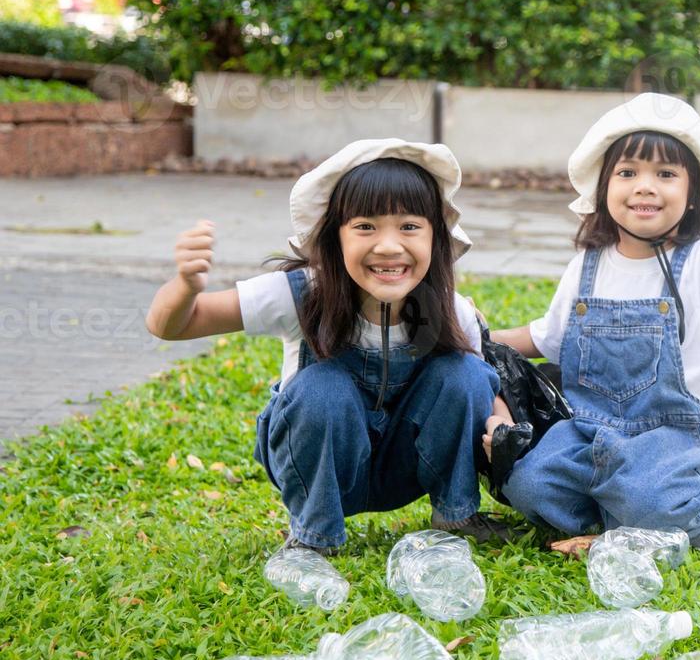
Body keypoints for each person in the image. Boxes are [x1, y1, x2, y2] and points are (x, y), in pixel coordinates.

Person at [145, 139, 513, 555]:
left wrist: (500, 427)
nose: (389, 246)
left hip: (406, 467)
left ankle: (457, 514)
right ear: (335, 238)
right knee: (322, 386)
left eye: (409, 226)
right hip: (323, 467)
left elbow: (486, 388)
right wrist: (185, 287)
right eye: (365, 227)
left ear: (436, 239)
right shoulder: (301, 294)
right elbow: (171, 326)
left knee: (463, 373)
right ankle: (313, 539)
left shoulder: (450, 310)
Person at [489, 93, 700, 550]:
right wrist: (475, 335)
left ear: (693, 194)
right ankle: (617, 522)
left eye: (665, 174)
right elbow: (547, 337)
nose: (645, 186)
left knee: (652, 497)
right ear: (604, 188)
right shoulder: (588, 263)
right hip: (591, 431)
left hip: (677, 438)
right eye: (628, 173)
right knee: (528, 483)